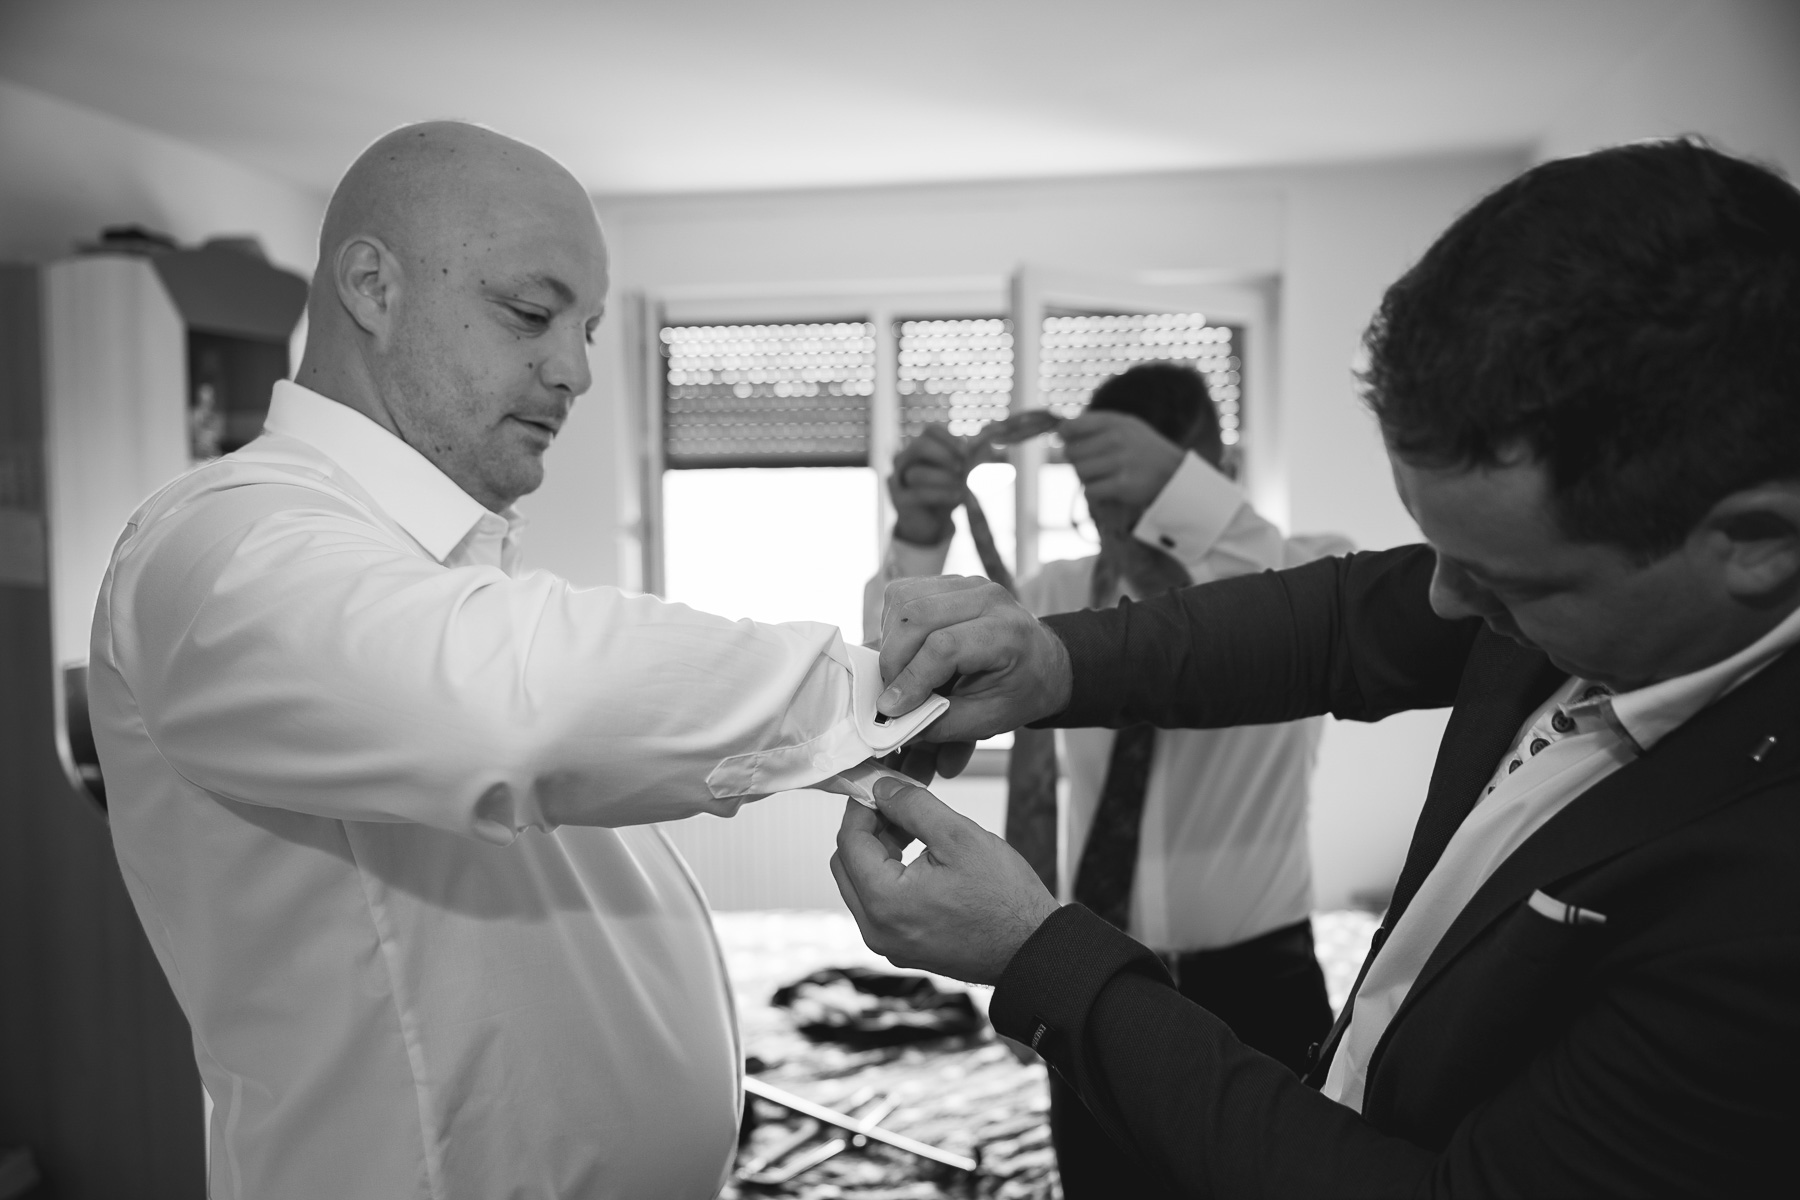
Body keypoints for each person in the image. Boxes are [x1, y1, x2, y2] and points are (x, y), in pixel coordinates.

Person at [832, 138, 1800, 1196]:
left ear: (1756, 542)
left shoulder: (1763, 914)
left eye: (1504, 579)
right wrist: (1052, 657)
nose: (1444, 604)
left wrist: (1038, 954)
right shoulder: (1578, 597)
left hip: (1252, 970)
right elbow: (1332, 621)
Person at [88, 122, 945, 1199]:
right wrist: (867, 694)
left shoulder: (423, 556)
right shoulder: (219, 544)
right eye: (531, 314)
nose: (575, 371)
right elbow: (509, 713)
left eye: (586, 329)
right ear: (372, 287)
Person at [865, 365, 1350, 1194]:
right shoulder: (1054, 600)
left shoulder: (1304, 577)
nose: (1125, 517)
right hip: (1097, 972)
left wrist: (1179, 489)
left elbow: (1256, 581)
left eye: (1151, 493)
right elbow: (899, 679)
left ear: (1216, 474)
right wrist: (919, 533)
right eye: (1107, 495)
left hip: (1261, 987)